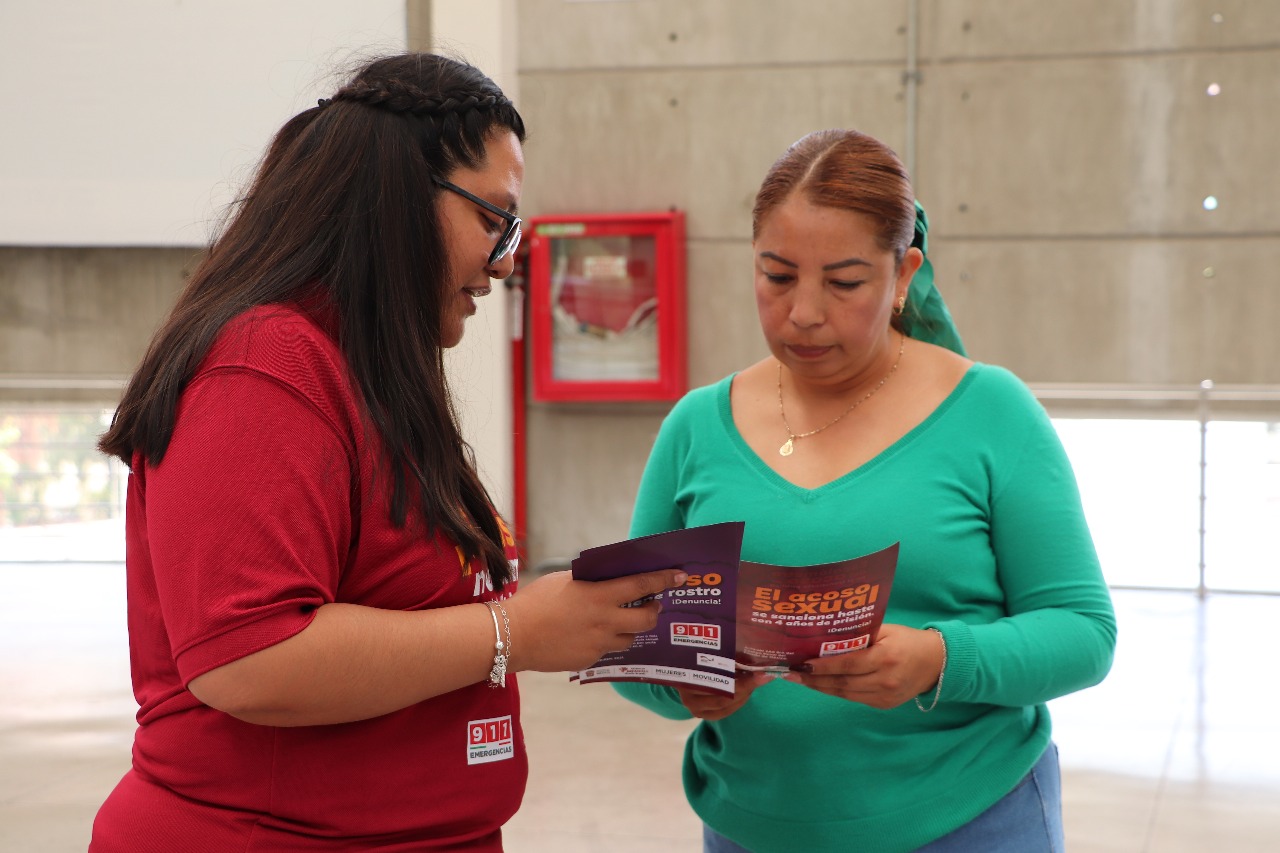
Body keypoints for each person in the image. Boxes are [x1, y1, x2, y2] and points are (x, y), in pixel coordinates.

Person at [90, 53, 685, 852]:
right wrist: (512, 632)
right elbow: (249, 657)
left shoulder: (366, 370)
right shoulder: (264, 362)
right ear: (400, 195)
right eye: (493, 220)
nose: (507, 261)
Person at [613, 129, 1117, 852]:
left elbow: (1083, 631)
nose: (804, 312)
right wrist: (681, 682)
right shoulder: (697, 426)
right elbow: (627, 630)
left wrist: (937, 659)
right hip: (752, 823)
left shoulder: (989, 412)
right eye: (777, 275)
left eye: (845, 282)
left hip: (968, 817)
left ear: (904, 271)